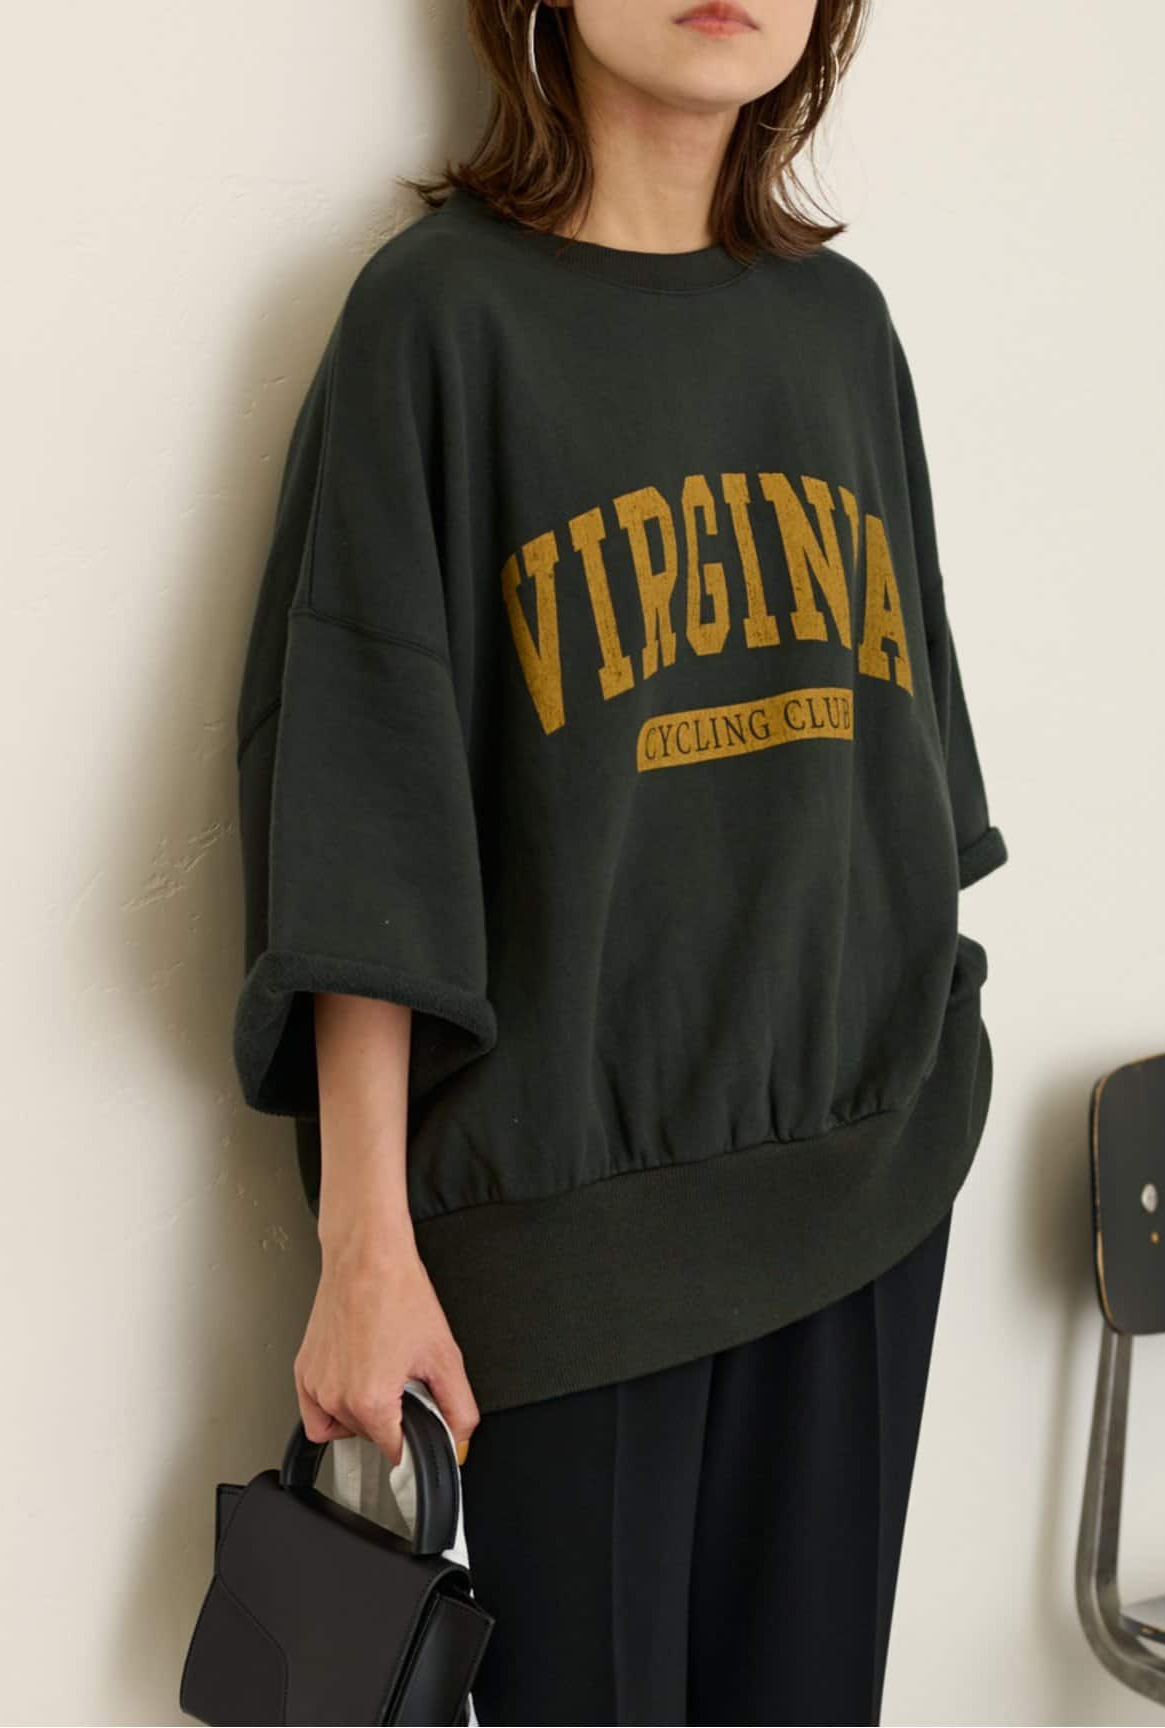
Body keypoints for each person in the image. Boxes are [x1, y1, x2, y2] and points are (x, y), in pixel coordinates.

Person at [229, 0, 1009, 1721]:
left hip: (861, 1209)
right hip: (563, 1265)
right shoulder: (439, 319)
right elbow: (362, 804)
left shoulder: (843, 330)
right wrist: (364, 1250)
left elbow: (899, 791)